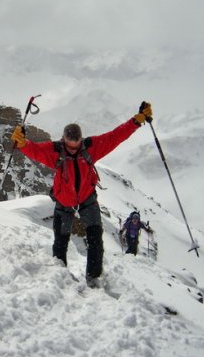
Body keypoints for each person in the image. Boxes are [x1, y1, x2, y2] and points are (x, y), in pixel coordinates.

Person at [10, 102, 152, 287]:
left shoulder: (91, 147)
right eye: (69, 144)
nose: (72, 148)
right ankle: (59, 273)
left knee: (95, 240)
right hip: (64, 202)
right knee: (61, 241)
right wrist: (22, 143)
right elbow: (35, 150)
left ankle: (93, 277)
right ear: (63, 140)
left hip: (87, 199)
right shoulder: (55, 151)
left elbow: (115, 136)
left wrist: (137, 120)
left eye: (75, 144)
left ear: (80, 140)